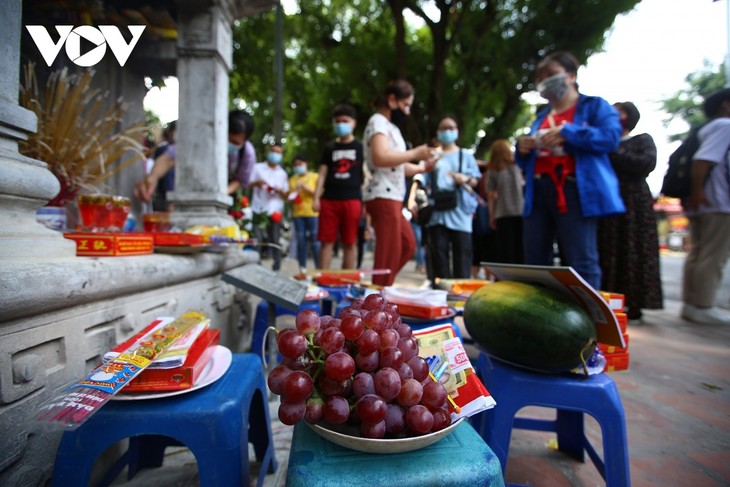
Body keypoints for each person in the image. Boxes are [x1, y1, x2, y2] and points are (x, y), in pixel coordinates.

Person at [515, 51, 624, 290]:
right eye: (540, 77)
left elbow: (611, 138)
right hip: (538, 192)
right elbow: (526, 163)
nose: (545, 81)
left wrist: (569, 132)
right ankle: (538, 315)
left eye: (552, 74)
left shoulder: (594, 106)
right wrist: (522, 150)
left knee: (581, 259)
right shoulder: (541, 116)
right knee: (535, 261)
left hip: (575, 190)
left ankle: (588, 321)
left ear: (571, 76)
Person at [363, 79, 437, 287]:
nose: (407, 111)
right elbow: (380, 157)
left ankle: (380, 292)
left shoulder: (389, 127)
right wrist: (415, 153)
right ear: (392, 99)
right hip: (383, 195)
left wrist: (422, 168)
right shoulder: (378, 121)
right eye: (405, 105)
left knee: (407, 245)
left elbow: (397, 164)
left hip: (393, 196)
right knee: (388, 254)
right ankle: (377, 300)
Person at [598, 102, 663, 321]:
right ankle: (609, 299)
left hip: (634, 203)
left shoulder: (642, 140)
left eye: (619, 113)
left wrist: (612, 152)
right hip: (607, 202)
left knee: (634, 249)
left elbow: (646, 163)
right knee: (608, 250)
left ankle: (635, 304)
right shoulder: (603, 143)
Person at [680, 88, 730, 325]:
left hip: (704, 200)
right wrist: (699, 191)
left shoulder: (707, 129)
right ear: (726, 105)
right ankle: (703, 305)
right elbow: (703, 160)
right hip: (716, 201)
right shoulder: (725, 127)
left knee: (699, 252)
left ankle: (692, 303)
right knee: (713, 255)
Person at [416, 116, 481, 280]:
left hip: (461, 213)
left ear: (457, 132)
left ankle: (460, 295)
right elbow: (422, 178)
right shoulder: (433, 156)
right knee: (438, 255)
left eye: (451, 128)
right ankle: (440, 293)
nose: (447, 131)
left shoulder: (465, 155)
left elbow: (475, 180)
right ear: (438, 132)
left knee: (462, 255)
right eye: (444, 128)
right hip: (438, 212)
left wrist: (465, 178)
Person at [313, 104, 364, 270]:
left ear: (354, 123)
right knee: (326, 242)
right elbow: (322, 174)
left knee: (350, 243)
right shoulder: (329, 148)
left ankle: (347, 282)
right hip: (329, 200)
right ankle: (322, 280)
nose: (341, 124)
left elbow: (366, 175)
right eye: (337, 121)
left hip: (352, 199)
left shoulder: (360, 147)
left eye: (345, 121)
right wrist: (316, 198)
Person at [250, 143, 289, 271]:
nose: (275, 154)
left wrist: (280, 191)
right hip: (258, 208)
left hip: (275, 210)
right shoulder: (257, 168)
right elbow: (247, 184)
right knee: (258, 238)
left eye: (278, 152)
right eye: (273, 151)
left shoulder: (282, 174)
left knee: (275, 239)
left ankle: (277, 267)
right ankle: (256, 265)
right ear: (268, 151)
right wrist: (257, 183)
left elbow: (286, 194)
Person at [485, 139, 524, 264]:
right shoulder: (518, 166)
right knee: (521, 249)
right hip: (522, 211)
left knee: (506, 251)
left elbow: (491, 195)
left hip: (502, 213)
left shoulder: (492, 170)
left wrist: (491, 215)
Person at [289, 154, 320, 273]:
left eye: (300, 164)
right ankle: (302, 269)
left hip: (313, 213)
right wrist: (296, 191)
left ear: (306, 164)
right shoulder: (292, 180)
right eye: (296, 165)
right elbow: (290, 197)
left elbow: (319, 193)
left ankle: (319, 268)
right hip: (298, 214)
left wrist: (305, 188)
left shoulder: (315, 176)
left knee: (315, 242)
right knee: (300, 241)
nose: (298, 167)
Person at [227, 110, 257, 194]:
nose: (228, 144)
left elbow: (240, 180)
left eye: (235, 142)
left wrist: (222, 194)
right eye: (228, 139)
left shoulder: (248, 153)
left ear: (245, 140)